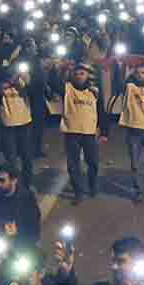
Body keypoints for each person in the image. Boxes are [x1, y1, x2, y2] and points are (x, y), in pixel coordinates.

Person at [55, 63, 106, 204]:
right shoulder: (67, 88)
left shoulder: (94, 90)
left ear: (87, 75)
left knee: (93, 163)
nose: (79, 76)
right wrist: (60, 69)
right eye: (76, 74)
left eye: (82, 73)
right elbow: (53, 83)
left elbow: (101, 111)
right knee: (73, 165)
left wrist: (104, 132)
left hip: (89, 133)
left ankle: (92, 186)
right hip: (71, 133)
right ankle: (78, 192)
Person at [113, 58, 144, 202]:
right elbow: (118, 85)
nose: (141, 75)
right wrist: (118, 66)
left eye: (143, 72)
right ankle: (138, 191)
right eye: (138, 72)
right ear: (134, 73)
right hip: (133, 130)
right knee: (135, 165)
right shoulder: (128, 85)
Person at [0, 165, 41, 253]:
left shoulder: (26, 197)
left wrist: (19, 228)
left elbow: (34, 219)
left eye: (2, 180)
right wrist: (2, 227)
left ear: (14, 180)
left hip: (22, 244)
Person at [0, 70, 35, 187]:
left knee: (27, 156)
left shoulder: (22, 82)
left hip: (24, 123)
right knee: (11, 158)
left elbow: (34, 93)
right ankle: (13, 184)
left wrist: (24, 83)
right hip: (7, 125)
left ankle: (28, 183)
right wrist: (7, 84)